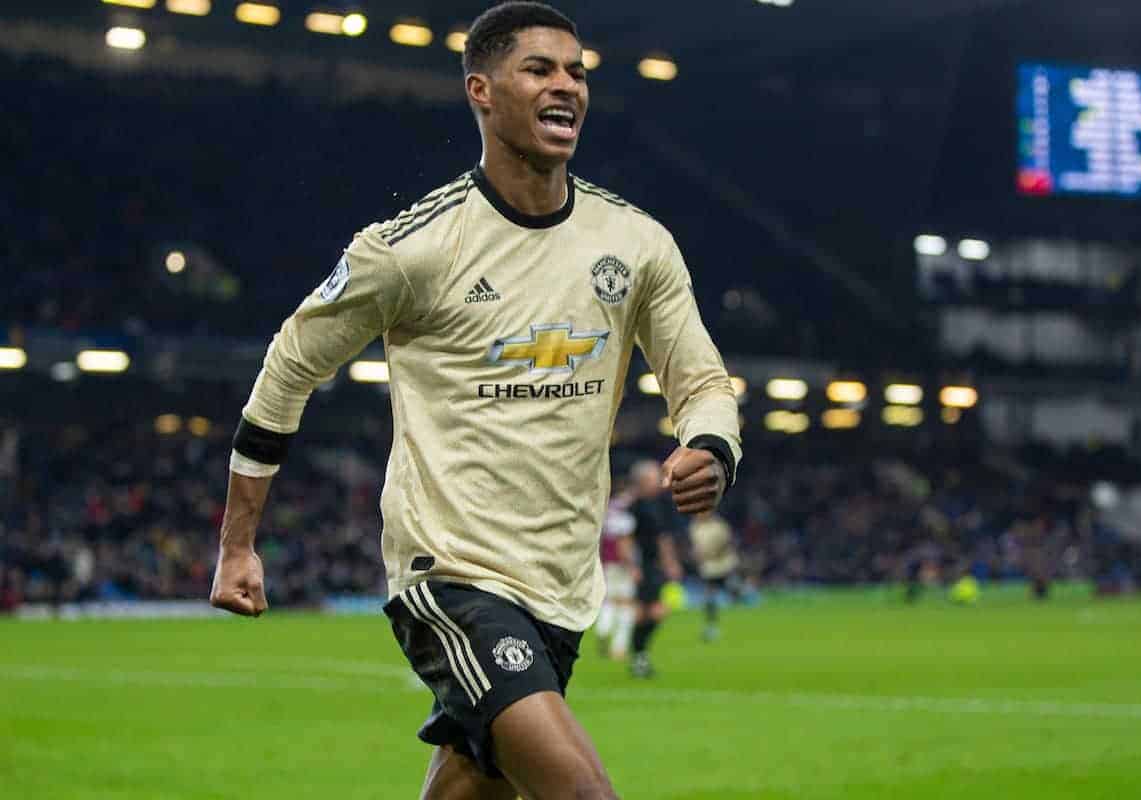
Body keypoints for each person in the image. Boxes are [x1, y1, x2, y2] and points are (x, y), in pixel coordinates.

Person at [208, 3, 741, 799]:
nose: (567, 86)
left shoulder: (636, 244)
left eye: (577, 72)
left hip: (559, 590)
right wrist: (238, 543)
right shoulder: (413, 249)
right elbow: (288, 366)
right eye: (540, 69)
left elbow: (699, 380)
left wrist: (711, 443)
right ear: (481, 91)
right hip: (448, 574)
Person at [628, 460, 683, 678]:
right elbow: (627, 539)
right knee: (654, 611)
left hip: (652, 566)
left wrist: (670, 562)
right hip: (645, 566)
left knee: (649, 612)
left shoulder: (659, 504)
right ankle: (639, 657)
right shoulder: (635, 507)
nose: (659, 482)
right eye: (653, 478)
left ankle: (639, 658)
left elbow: (664, 538)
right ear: (641, 482)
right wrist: (632, 566)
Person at [592, 489, 638, 660]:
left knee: (609, 601)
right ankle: (619, 648)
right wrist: (631, 566)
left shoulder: (605, 515)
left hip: (606, 565)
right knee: (627, 605)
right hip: (621, 567)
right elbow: (624, 545)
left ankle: (603, 629)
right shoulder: (625, 519)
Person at [688, 510, 741, 642]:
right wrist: (697, 555)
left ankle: (742, 600)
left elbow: (726, 543)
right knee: (709, 596)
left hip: (724, 564)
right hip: (709, 567)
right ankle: (712, 626)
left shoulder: (719, 525)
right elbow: (695, 546)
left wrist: (711, 552)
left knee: (733, 591)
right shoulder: (694, 527)